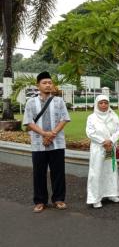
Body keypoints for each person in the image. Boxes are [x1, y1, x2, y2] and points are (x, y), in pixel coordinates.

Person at [23, 71, 71, 213]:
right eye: (44, 83)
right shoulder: (31, 102)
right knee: (39, 173)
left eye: (50, 82)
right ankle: (39, 201)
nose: (48, 85)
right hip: (38, 144)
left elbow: (65, 119)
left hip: (57, 143)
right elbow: (28, 122)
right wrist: (44, 134)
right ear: (38, 85)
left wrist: (52, 134)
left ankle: (59, 199)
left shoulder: (59, 101)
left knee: (58, 172)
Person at [85, 95, 119, 208]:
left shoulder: (113, 116)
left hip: (110, 147)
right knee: (96, 171)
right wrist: (103, 141)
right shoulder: (91, 117)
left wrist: (111, 140)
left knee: (111, 169)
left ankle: (112, 194)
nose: (103, 105)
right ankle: (95, 198)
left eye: (106, 103)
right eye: (101, 103)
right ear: (97, 104)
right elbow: (90, 132)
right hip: (98, 148)